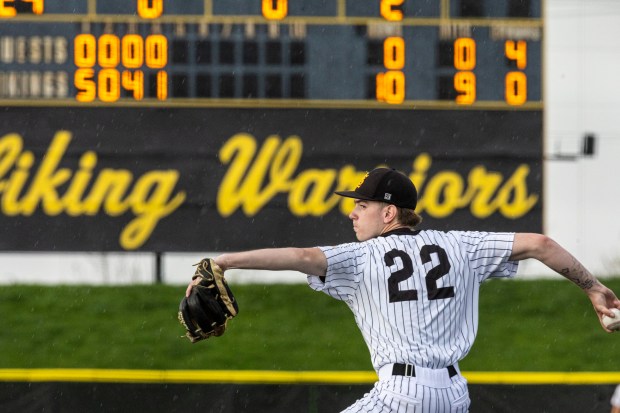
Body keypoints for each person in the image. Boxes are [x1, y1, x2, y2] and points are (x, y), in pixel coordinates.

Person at [187, 167, 620, 412]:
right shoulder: (461, 246)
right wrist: (593, 288)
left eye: (362, 206)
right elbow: (540, 245)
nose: (353, 215)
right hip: (453, 396)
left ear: (389, 212)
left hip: (402, 394)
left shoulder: (360, 258)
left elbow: (301, 256)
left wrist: (225, 261)